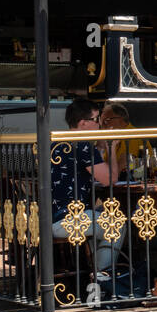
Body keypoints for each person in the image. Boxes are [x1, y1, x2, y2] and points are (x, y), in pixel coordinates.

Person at [50, 99, 117, 278]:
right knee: (117, 223)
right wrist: (111, 148)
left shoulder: (57, 143)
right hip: (69, 219)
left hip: (48, 219)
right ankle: (101, 275)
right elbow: (110, 179)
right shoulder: (83, 145)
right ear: (83, 123)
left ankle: (93, 270)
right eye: (96, 120)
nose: (99, 125)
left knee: (100, 216)